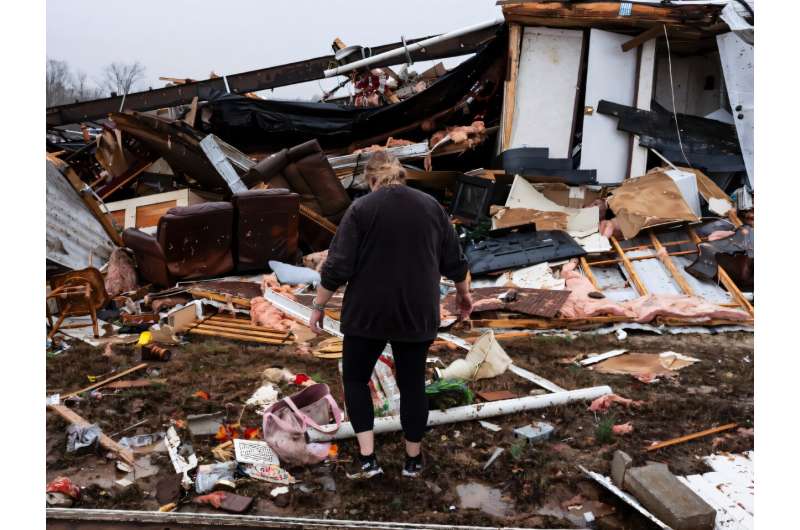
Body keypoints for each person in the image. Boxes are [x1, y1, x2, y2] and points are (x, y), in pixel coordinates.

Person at [309, 151, 473, 479]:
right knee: (412, 385)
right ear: (400, 176)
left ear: (371, 180)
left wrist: (318, 306)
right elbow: (455, 261)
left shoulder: (361, 209)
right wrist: (464, 294)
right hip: (417, 310)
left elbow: (338, 266)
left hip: (367, 312)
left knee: (356, 379)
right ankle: (413, 460)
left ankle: (368, 459)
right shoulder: (431, 207)